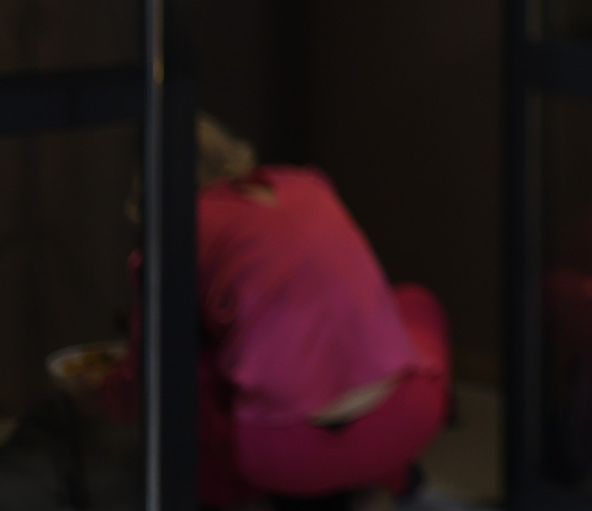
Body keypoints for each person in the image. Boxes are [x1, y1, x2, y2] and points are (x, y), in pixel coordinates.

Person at [96, 115, 449, 510]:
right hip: (406, 419)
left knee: (194, 366)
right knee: (415, 301)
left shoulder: (174, 235)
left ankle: (247, 495)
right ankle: (384, 475)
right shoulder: (308, 183)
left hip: (281, 453)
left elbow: (146, 376)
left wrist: (100, 395)